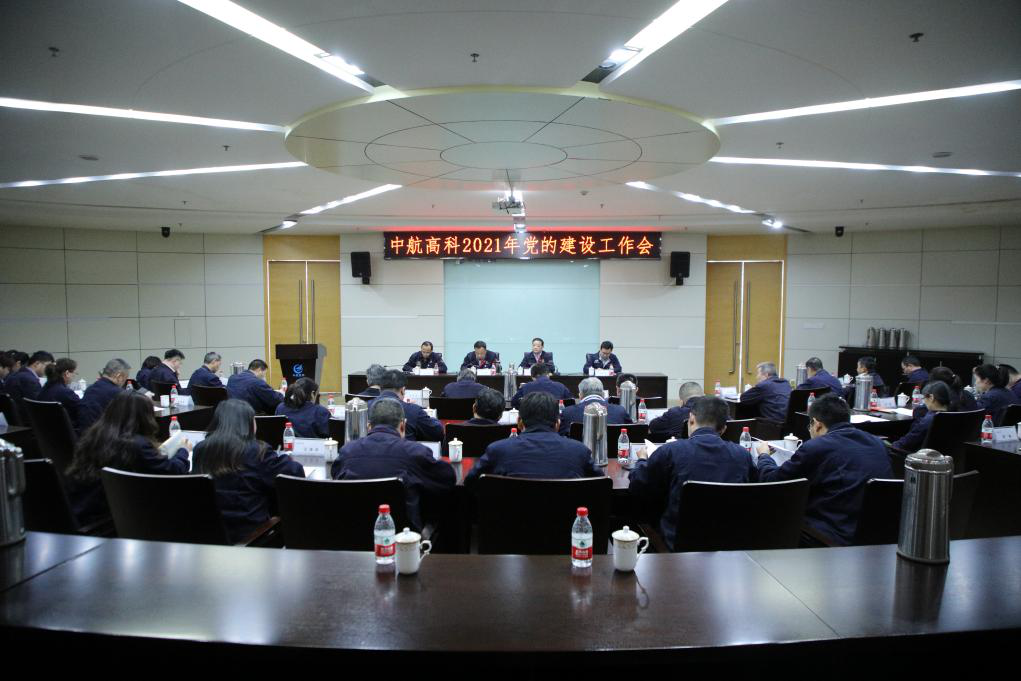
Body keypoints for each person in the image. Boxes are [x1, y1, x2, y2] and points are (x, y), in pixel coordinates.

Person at [755, 394, 892, 546]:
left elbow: (772, 482)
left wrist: (764, 456)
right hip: (876, 537)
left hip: (830, 538)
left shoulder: (817, 447)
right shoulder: (877, 444)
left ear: (817, 424)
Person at [629, 396, 758, 551]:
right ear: (724, 429)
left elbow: (638, 485)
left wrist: (642, 460)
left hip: (678, 547)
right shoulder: (743, 456)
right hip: (730, 546)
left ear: (691, 420)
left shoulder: (670, 451)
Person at [65, 390, 190, 526]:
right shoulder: (136, 445)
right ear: (144, 417)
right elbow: (172, 472)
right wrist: (183, 450)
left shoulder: (95, 435)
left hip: (84, 509)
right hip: (112, 519)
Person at [330, 397, 455, 531]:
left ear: (369, 427)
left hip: (354, 534)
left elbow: (335, 476)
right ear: (403, 426)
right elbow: (448, 478)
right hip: (403, 538)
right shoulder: (415, 452)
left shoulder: (347, 452)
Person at [193, 399, 304, 543]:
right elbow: (295, 473)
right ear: (248, 424)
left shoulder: (200, 449)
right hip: (251, 537)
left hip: (210, 537)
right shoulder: (256, 450)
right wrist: (284, 458)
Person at [465, 392, 603, 486]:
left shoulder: (498, 450)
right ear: (557, 424)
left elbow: (470, 482)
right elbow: (601, 484)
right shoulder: (579, 451)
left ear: (519, 422)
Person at [369, 370, 443, 442]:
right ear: (402, 390)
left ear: (380, 389)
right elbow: (437, 432)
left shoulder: (367, 406)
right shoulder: (413, 410)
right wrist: (433, 418)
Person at [889, 381, 951, 453]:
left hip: (916, 457)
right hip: (945, 457)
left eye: (924, 398)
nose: (924, 402)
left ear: (931, 398)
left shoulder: (929, 419)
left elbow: (907, 442)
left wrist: (890, 446)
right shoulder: (954, 416)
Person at [559, 376, 632, 436]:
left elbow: (560, 436)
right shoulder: (620, 411)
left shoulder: (567, 412)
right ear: (603, 394)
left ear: (580, 395)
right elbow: (633, 432)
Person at [77, 358, 131, 431]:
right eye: (125, 378)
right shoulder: (118, 393)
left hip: (85, 433)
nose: (125, 382)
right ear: (119, 376)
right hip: (102, 435)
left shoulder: (90, 388)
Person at [38, 357, 83, 432]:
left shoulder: (44, 389)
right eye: (74, 373)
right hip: (67, 432)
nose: (74, 376)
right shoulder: (66, 393)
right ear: (67, 373)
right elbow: (82, 410)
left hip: (47, 432)